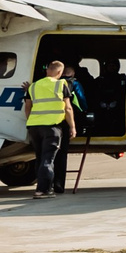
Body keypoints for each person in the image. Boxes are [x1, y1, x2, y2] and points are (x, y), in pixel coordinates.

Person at [25, 58, 76, 196]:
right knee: (48, 159)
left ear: (47, 70)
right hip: (52, 127)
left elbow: (27, 107)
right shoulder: (61, 85)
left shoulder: (33, 86)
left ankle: (41, 186)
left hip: (34, 127)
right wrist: (72, 127)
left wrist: (31, 122)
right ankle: (43, 190)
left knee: (40, 157)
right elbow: (68, 108)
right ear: (59, 72)